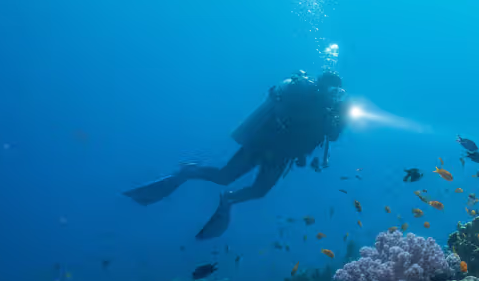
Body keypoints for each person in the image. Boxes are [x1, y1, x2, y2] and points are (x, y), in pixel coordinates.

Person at [124, 70, 348, 239]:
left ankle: (228, 199)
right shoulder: (302, 94)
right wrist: (322, 114)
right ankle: (186, 172)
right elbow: (288, 112)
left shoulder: (331, 112)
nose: (335, 95)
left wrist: (341, 118)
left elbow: (333, 136)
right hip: (262, 144)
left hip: (282, 157)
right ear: (321, 86)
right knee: (224, 176)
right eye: (332, 90)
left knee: (259, 192)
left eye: (339, 93)